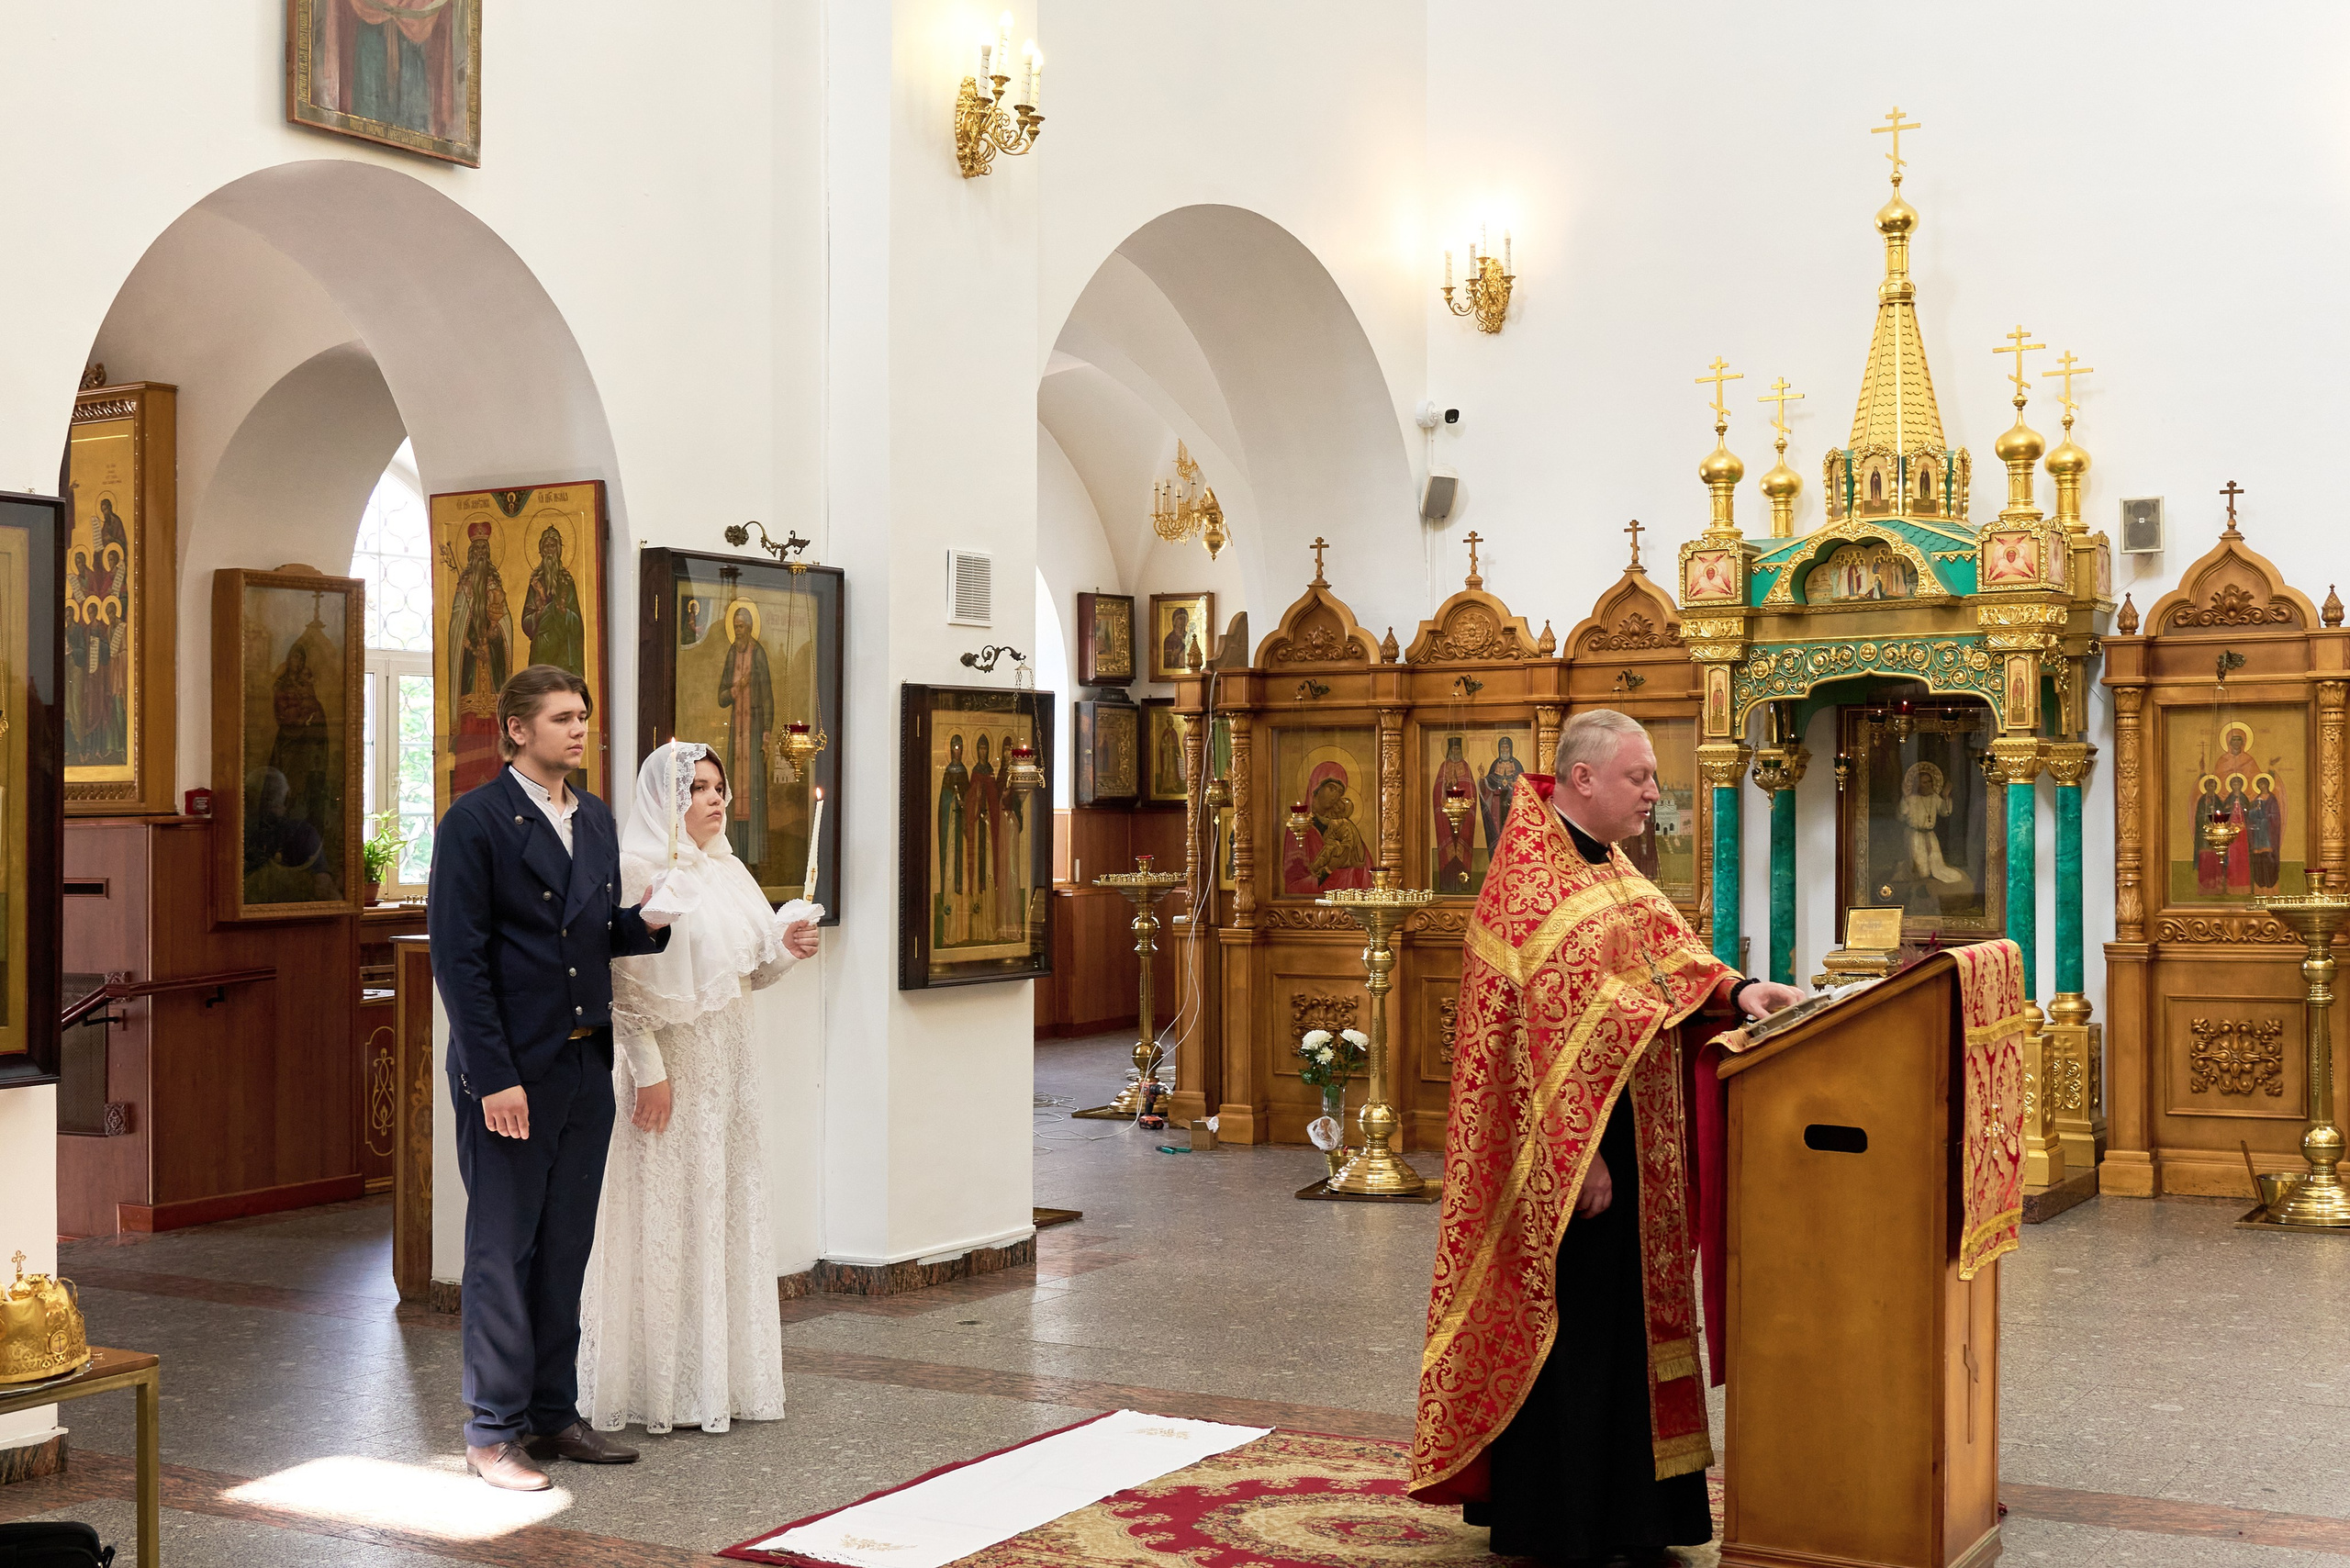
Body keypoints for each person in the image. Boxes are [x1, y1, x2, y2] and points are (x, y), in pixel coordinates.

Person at [1410, 709, 1801, 1560]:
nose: (1655, 795)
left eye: (1653, 780)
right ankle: (1566, 1516)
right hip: (1570, 1160)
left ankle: (1642, 1511)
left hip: (1637, 1139)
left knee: (1631, 1319)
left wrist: (1741, 994)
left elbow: (1668, 959)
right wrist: (1574, 1158)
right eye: (1641, 779)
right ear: (1583, 779)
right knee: (1580, 1323)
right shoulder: (1530, 884)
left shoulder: (1611, 867)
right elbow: (1534, 1045)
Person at [429, 665, 682, 1492]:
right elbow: (460, 962)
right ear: (516, 730)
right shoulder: (476, 823)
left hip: (582, 1059)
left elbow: (584, 933)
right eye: (563, 718)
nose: (580, 731)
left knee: (566, 1246)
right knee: (504, 1250)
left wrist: (642, 926)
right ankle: (490, 1432)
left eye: (583, 717)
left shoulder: (596, 819)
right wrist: (495, 1076)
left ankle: (552, 1412)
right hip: (510, 1072)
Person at [578, 742, 820, 1436]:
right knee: (665, 1208)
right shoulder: (637, 870)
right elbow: (620, 983)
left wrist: (786, 947)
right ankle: (657, 1384)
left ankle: (719, 1378)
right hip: (671, 1069)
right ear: (665, 799)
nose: (717, 800)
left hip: (730, 1065)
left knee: (721, 1202)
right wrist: (649, 1073)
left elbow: (747, 972)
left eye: (720, 787)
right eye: (701, 788)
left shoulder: (729, 870)